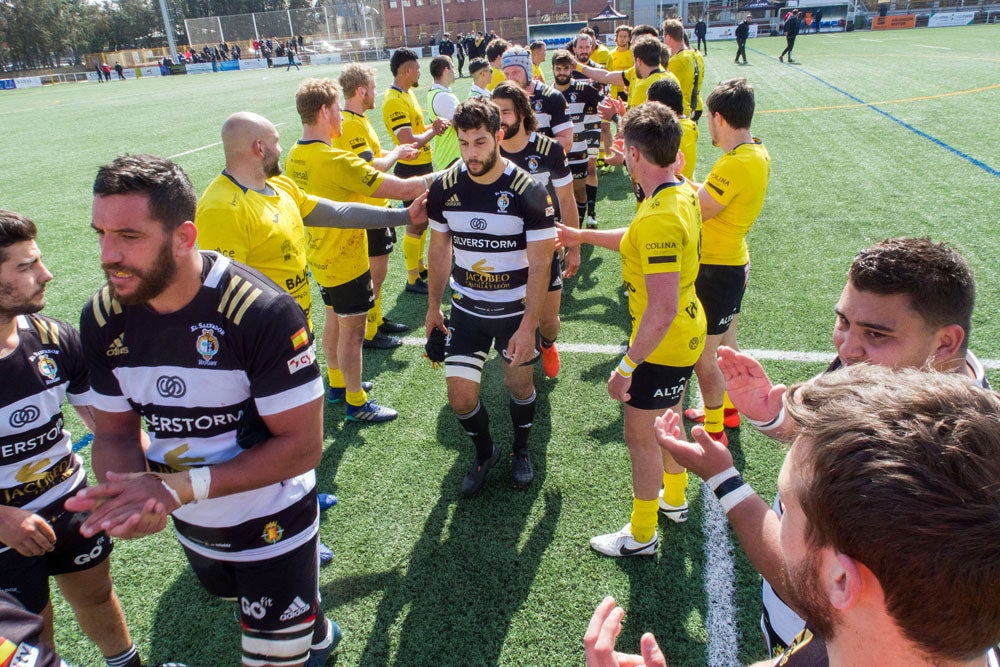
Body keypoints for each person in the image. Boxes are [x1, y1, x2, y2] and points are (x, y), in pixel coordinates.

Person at [65, 154, 339, 667]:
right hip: (190, 518)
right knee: (237, 599)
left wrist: (170, 489)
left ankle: (299, 633)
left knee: (276, 658)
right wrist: (126, 492)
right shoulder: (103, 316)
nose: (107, 254)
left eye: (129, 236)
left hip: (273, 518)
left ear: (184, 237)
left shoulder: (259, 312)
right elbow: (117, 431)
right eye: (100, 233)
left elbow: (301, 448)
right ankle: (316, 631)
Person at [666, 237, 989, 658]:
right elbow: (819, 408)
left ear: (946, 342)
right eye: (844, 322)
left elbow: (810, 587)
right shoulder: (893, 368)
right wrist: (772, 414)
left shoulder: (924, 467)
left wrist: (724, 480)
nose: (847, 347)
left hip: (823, 638)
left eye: (875, 333)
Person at [588, 364, 1000, 667]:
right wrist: (722, 476)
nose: (778, 524)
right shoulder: (850, 638)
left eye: (786, 511)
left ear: (841, 581)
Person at [0, 210, 161, 667]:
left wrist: (160, 482)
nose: (45, 274)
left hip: (70, 504)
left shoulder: (54, 339)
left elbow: (109, 426)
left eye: (39, 261)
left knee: (97, 596)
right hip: (4, 531)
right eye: (25, 266)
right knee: (33, 629)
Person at [557, 103, 705, 557]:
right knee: (667, 423)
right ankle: (675, 501)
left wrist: (626, 366)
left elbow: (659, 308)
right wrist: (580, 235)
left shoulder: (660, 213)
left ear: (634, 154)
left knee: (640, 438)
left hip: (663, 342)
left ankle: (641, 535)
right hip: (684, 334)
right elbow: (635, 238)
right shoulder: (678, 192)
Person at [424, 98, 555, 496]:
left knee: (519, 387)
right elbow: (439, 249)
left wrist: (529, 324)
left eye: (479, 142)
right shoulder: (445, 186)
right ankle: (486, 451)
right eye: (463, 143)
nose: (471, 153)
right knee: (460, 398)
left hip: (515, 315)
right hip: (465, 312)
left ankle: (521, 450)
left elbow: (540, 265)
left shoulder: (528, 190)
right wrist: (432, 308)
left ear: (499, 136)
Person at [286, 78, 430, 422]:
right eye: (337, 109)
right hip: (346, 259)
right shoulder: (336, 160)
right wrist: (457, 171)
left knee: (334, 320)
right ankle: (356, 402)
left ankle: (336, 384)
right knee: (352, 333)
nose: (341, 115)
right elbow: (405, 187)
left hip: (319, 256)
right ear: (324, 111)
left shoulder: (295, 156)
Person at [682, 79, 770, 446]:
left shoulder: (734, 164)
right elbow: (709, 194)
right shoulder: (756, 151)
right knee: (726, 346)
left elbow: (698, 208)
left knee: (706, 357)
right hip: (733, 263)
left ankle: (715, 428)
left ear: (718, 118)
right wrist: (680, 177)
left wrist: (668, 182)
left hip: (716, 270)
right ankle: (730, 411)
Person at [493, 81, 580, 381]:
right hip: (503, 252)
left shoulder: (549, 150)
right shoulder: (488, 150)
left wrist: (575, 245)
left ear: (522, 113)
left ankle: (547, 343)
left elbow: (567, 199)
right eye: (495, 112)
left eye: (505, 111)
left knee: (549, 319)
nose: (499, 118)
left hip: (543, 249)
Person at [336, 64, 420, 351]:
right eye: (372, 89)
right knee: (376, 273)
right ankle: (370, 333)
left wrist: (394, 152)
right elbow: (371, 167)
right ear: (361, 91)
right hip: (367, 209)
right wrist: (397, 152)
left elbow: (371, 154)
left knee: (378, 273)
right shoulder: (350, 124)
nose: (375, 94)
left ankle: (377, 321)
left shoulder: (357, 119)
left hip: (375, 207)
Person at [381, 48, 448, 295]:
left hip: (422, 165)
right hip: (410, 169)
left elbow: (417, 129)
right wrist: (434, 130)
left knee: (423, 221)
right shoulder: (393, 100)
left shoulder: (407, 94)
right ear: (407, 70)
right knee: (415, 221)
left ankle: (419, 269)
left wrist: (433, 126)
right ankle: (411, 279)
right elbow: (407, 140)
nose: (420, 71)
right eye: (417, 68)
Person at [551, 49, 603, 230]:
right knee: (557, 195)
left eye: (565, 68)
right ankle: (562, 231)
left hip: (579, 151)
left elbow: (597, 116)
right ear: (553, 69)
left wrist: (594, 150)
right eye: (558, 69)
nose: (562, 72)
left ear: (571, 69)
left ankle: (577, 230)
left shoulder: (585, 90)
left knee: (579, 190)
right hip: (556, 154)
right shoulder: (547, 94)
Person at [500, 47, 573, 155]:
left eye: (515, 72)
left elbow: (566, 143)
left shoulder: (552, 97)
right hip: (512, 170)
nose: (510, 78)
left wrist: (529, 149)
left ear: (528, 70)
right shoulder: (499, 99)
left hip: (547, 170)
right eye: (507, 74)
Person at [578, 35, 676, 110]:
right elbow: (606, 76)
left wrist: (614, 116)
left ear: (638, 61)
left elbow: (639, 122)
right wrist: (576, 65)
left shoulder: (645, 86)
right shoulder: (670, 77)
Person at [646, 78, 697, 180]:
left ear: (660, 106)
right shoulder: (690, 125)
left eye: (649, 104)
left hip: (670, 189)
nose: (646, 107)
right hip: (685, 186)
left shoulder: (665, 132)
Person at [662, 19, 702, 121]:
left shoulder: (676, 61)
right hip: (691, 108)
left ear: (668, 37)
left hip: (677, 114)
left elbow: (665, 90)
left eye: (664, 36)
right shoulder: (695, 55)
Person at [427, 56, 461, 171]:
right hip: (451, 157)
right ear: (446, 70)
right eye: (453, 67)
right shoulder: (442, 96)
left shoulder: (438, 92)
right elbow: (461, 123)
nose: (454, 71)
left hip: (448, 155)